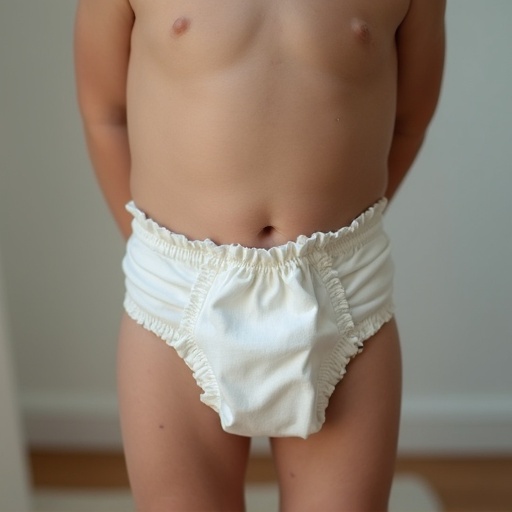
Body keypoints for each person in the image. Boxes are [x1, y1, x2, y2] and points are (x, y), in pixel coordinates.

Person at [74, 0, 445, 510]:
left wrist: (342, 238)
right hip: (177, 292)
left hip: (343, 291)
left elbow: (409, 118)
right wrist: (153, 255)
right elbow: (104, 113)